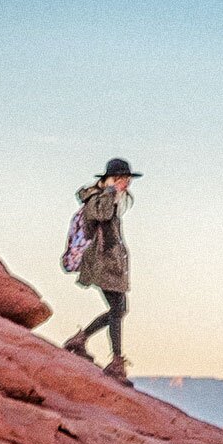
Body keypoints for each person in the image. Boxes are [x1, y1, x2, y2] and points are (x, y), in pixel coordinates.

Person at [62, 157, 137, 378]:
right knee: (117, 309)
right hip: (100, 263)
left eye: (128, 180)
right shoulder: (97, 198)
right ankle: (116, 360)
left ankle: (80, 339)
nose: (127, 184)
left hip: (111, 263)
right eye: (124, 179)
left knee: (120, 309)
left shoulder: (110, 197)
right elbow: (101, 216)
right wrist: (111, 191)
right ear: (113, 179)